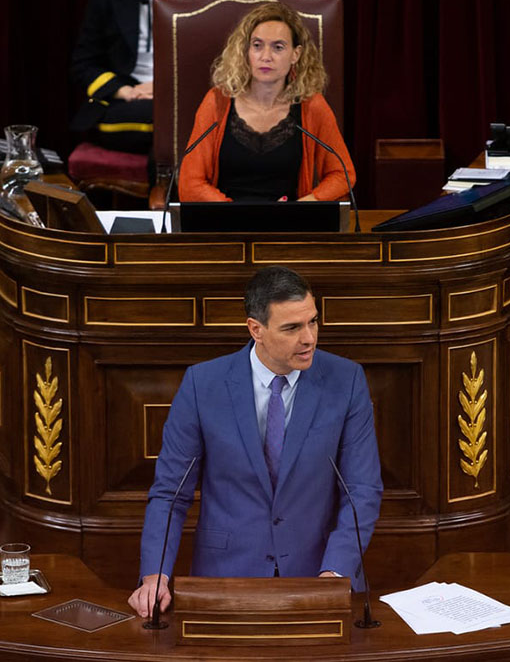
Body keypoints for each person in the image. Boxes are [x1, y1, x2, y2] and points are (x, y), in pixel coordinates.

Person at [128, 265, 382, 618]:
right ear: (256, 329)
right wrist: (155, 574)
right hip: (225, 578)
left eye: (313, 321)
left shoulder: (347, 380)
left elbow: (363, 489)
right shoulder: (203, 384)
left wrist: (335, 572)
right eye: (292, 328)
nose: (309, 338)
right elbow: (171, 492)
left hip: (318, 576)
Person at [178, 1, 355, 203]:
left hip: (286, 228)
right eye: (257, 46)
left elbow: (343, 175)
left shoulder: (311, 105)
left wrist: (305, 205)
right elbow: (189, 183)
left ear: (295, 54)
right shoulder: (217, 102)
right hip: (227, 225)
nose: (266, 57)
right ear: (246, 51)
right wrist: (237, 214)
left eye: (278, 47)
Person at [70, 0, 198, 155]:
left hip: (180, 93)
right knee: (170, 121)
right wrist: (126, 91)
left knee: (180, 119)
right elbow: (84, 64)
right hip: (128, 96)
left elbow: (209, 58)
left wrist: (163, 87)